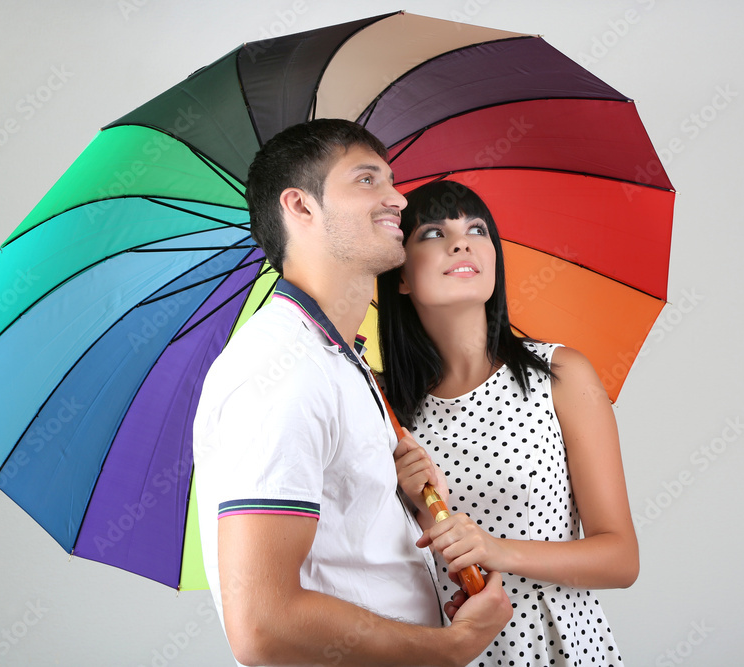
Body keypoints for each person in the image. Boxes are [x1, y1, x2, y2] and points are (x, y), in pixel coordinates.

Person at [192, 120, 512, 667]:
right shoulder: (279, 368)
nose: (398, 198)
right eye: (367, 181)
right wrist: (448, 648)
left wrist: (414, 508)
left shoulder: (340, 358)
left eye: (391, 179)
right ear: (301, 206)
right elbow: (263, 626)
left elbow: (350, 554)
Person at [377, 180, 639, 666]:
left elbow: (621, 559)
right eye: (433, 233)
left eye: (477, 228)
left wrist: (494, 549)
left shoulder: (560, 375)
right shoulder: (381, 407)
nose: (462, 241)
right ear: (401, 275)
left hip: (555, 645)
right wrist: (415, 506)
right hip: (444, 648)